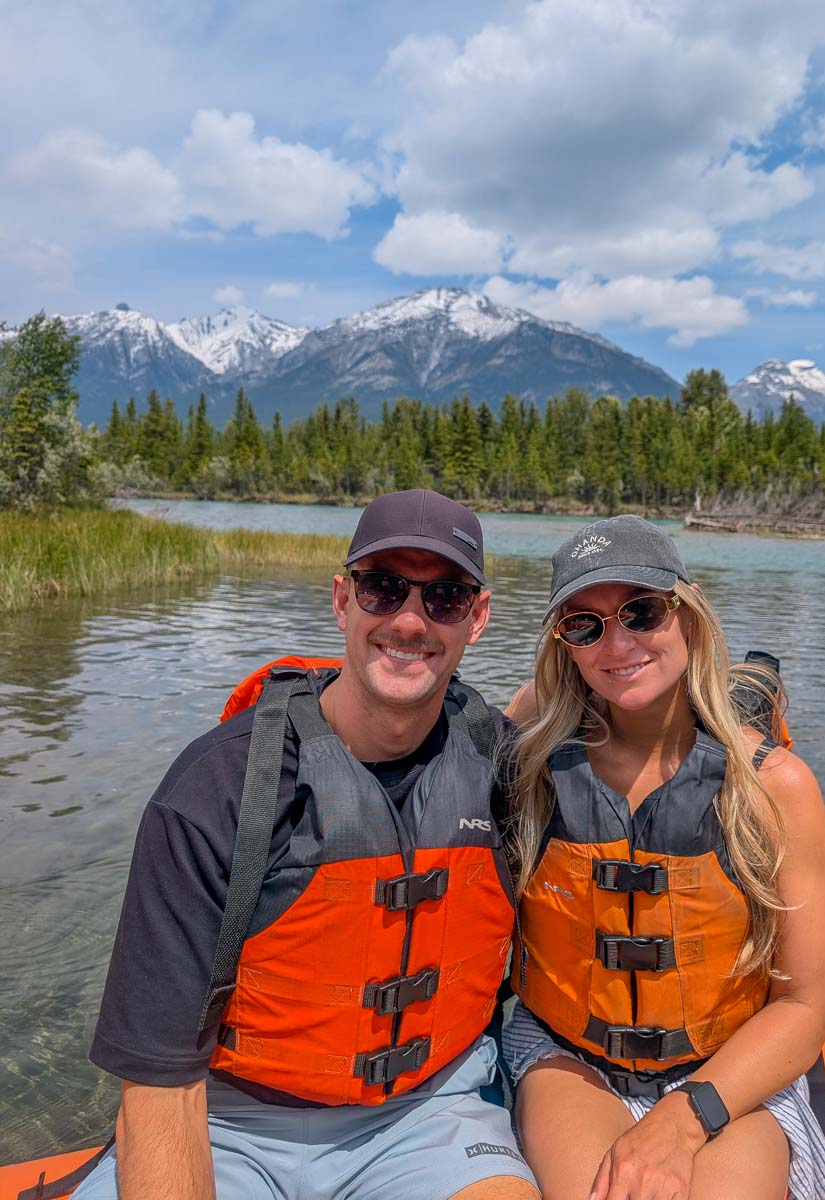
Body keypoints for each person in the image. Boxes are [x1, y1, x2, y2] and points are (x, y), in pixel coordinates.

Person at [71, 490, 540, 1200]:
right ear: (341, 600)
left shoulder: (509, 770)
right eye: (383, 588)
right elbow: (161, 1083)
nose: (410, 620)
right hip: (229, 1123)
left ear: (478, 619)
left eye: (444, 597)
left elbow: (635, 754)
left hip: (431, 1112)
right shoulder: (220, 787)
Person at [501, 515, 825, 1200]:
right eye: (585, 625)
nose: (618, 641)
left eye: (642, 611)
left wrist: (683, 1119)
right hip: (569, 1060)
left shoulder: (776, 788)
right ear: (562, 646)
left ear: (688, 615)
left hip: (730, 1068)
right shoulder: (529, 772)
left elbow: (804, 1006)